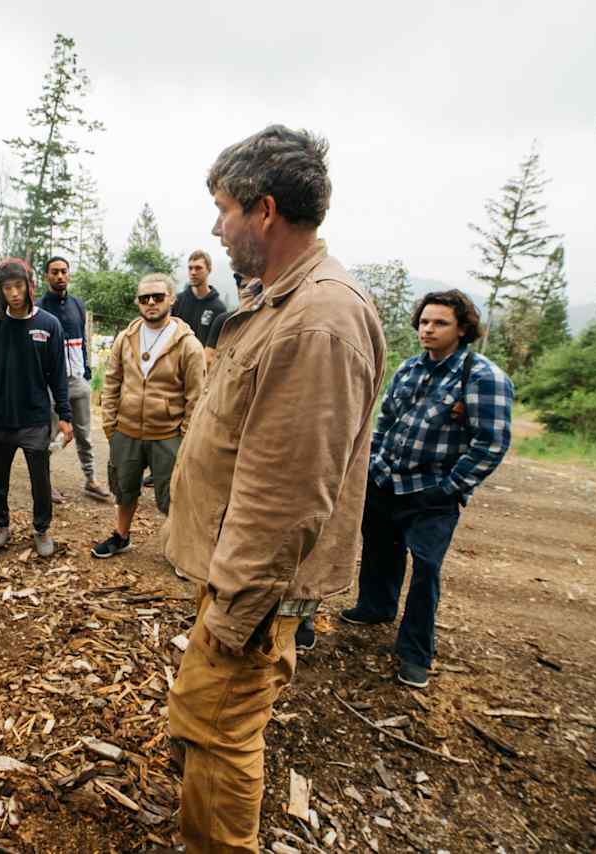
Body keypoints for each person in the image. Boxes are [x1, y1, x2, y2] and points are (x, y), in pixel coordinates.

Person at [164, 126, 385, 852]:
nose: (217, 228)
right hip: (233, 572)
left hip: (251, 585)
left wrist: (236, 611)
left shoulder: (320, 320)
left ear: (263, 210)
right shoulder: (282, 301)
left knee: (223, 733)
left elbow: (290, 499)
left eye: (224, 209)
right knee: (204, 719)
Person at [333, 290, 513, 688]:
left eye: (440, 323)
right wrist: (372, 464)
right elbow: (385, 424)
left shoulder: (482, 376)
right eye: (424, 322)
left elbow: (492, 442)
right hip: (386, 480)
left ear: (462, 329)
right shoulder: (410, 369)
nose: (428, 329)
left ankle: (415, 652)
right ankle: (376, 606)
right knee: (380, 548)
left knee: (426, 568)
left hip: (433, 491)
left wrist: (451, 486)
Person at [92, 273, 204, 558]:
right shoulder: (125, 338)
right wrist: (111, 425)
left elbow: (196, 396)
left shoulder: (188, 345)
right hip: (126, 431)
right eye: (144, 298)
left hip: (167, 435)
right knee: (124, 488)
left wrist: (185, 438)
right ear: (137, 302)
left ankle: (179, 551)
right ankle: (121, 536)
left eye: (157, 297)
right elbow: (112, 381)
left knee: (173, 498)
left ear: (171, 299)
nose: (151, 303)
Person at [0, 258, 73, 557]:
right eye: (7, 288)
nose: (14, 293)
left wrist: (65, 416)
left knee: (40, 480)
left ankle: (41, 529)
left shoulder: (48, 325)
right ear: (1, 291)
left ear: (29, 287)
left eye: (19, 286)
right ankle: (1, 525)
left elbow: (58, 375)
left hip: (34, 419)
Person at [38, 256, 113, 504]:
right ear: (46, 276)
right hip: (50, 385)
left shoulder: (78, 305)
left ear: (69, 274)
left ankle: (91, 480)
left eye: (63, 271)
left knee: (84, 434)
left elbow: (82, 339)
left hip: (78, 380)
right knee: (48, 435)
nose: (59, 276)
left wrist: (87, 369)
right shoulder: (39, 309)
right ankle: (44, 483)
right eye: (54, 272)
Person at [172, 249, 227, 344]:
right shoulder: (177, 301)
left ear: (209, 270)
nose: (193, 272)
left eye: (198, 268)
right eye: (190, 268)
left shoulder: (218, 308)